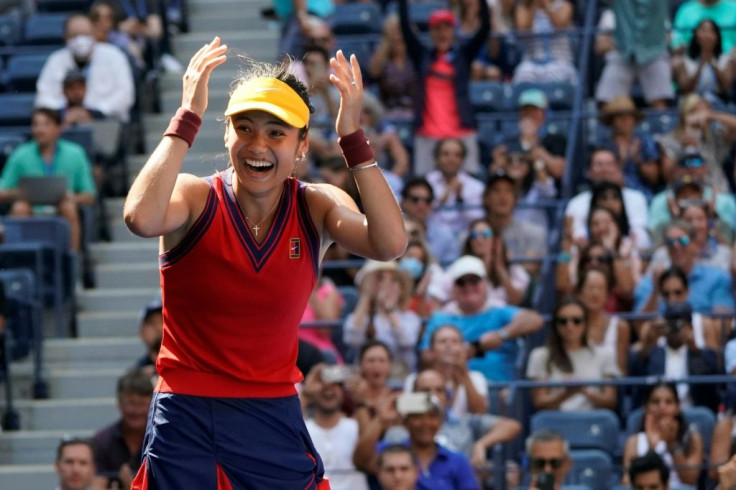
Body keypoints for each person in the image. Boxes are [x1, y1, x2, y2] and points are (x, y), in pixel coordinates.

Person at [123, 37, 407, 488]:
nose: (259, 144)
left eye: (277, 132)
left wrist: (353, 139)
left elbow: (390, 243)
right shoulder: (196, 196)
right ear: (226, 133)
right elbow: (141, 217)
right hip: (186, 412)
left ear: (301, 147)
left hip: (272, 412)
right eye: (245, 128)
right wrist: (185, 119)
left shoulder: (315, 204)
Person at [398, 0, 490, 175]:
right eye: (437, 29)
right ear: (431, 32)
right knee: (423, 184)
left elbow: (485, 28)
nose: (442, 33)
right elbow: (405, 28)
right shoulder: (422, 56)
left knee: (470, 182)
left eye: (446, 28)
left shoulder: (463, 55)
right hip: (427, 133)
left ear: (452, 31)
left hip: (461, 130)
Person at [420, 255, 545, 383]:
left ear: (485, 284)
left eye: (474, 281)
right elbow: (426, 356)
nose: (468, 286)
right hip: (454, 387)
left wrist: (501, 335)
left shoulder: (499, 311)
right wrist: (459, 354)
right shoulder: (440, 318)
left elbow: (535, 319)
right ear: (453, 287)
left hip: (497, 388)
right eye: (461, 282)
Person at [387, 369, 521, 483]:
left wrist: (481, 444)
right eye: (425, 390)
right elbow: (368, 463)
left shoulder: (465, 423)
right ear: (414, 395)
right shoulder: (397, 431)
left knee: (511, 470)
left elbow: (512, 426)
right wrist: (381, 419)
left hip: (461, 482)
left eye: (439, 390)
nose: (433, 395)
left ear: (448, 397)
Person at [0, 108, 96, 252]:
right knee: (20, 207)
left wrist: (73, 198)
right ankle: (19, 257)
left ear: (59, 128)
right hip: (31, 209)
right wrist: (16, 194)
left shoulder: (75, 153)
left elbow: (89, 194)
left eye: (46, 124)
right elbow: (2, 190)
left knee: (68, 206)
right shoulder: (20, 155)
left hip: (61, 209)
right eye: (36, 124)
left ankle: (72, 260)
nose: (40, 129)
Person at [352, 387, 481, 489]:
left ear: (441, 422)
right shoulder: (391, 453)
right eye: (418, 417)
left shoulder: (458, 461)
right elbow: (361, 461)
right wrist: (380, 419)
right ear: (406, 422)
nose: (425, 423)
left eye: (432, 417)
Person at [35, 14, 135, 122]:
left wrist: (95, 112)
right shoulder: (55, 60)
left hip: (108, 122)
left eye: (85, 34)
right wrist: (65, 113)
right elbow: (43, 98)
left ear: (94, 34)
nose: (80, 40)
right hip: (66, 123)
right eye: (74, 35)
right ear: (65, 38)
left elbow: (126, 95)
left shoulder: (114, 56)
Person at [526, 297, 619, 412]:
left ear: (586, 323)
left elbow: (610, 401)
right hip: (555, 421)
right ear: (555, 325)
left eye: (577, 321)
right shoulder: (540, 355)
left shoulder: (605, 354)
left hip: (592, 421)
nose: (570, 326)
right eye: (563, 321)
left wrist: (584, 391)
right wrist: (567, 393)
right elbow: (539, 402)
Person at [629, 302, 720, 413]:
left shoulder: (702, 354)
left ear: (690, 327)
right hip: (658, 411)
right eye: (671, 324)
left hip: (692, 410)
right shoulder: (653, 353)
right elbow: (635, 373)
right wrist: (647, 343)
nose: (675, 329)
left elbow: (711, 384)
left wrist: (694, 349)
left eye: (680, 325)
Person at [635, 221, 735, 314]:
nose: (676, 246)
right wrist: (656, 290)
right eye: (670, 242)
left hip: (701, 331)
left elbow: (723, 324)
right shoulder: (651, 282)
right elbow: (639, 325)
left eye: (683, 240)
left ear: (695, 245)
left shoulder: (717, 279)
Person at [564, 146, 650, 250]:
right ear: (589, 171)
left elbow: (641, 238)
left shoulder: (636, 198)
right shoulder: (576, 203)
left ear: (618, 168)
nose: (604, 169)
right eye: (599, 165)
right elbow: (577, 239)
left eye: (609, 164)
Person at [343, 260, 421, 374]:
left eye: (394, 281)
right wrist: (366, 296)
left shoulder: (410, 317)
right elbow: (352, 339)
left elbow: (407, 340)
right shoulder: (360, 318)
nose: (387, 286)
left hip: (399, 375)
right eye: (380, 279)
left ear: (401, 288)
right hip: (367, 375)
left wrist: (389, 308)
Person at [622, 382, 704, 486]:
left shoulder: (693, 438)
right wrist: (651, 449)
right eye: (655, 402)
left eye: (669, 402)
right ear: (646, 406)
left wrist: (673, 445)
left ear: (677, 407)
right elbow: (627, 482)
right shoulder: (634, 441)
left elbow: (690, 480)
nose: (662, 407)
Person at [301, 364, 369, 490]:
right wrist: (305, 395)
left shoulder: (355, 425)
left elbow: (369, 454)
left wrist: (361, 401)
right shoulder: (303, 429)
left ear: (343, 391)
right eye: (323, 384)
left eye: (336, 384)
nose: (329, 390)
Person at [595, 0, 673, 108]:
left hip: (655, 53)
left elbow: (669, 38)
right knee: (607, 102)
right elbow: (599, 47)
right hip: (622, 52)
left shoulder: (659, 5)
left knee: (661, 101)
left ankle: (662, 122)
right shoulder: (611, 12)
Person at [404, 324, 488, 416]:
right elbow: (408, 414)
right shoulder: (414, 379)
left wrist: (464, 374)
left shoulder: (476, 378)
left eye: (455, 342)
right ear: (431, 351)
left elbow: (480, 412)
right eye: (442, 341)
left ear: (462, 349)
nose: (449, 345)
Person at [91, 369, 152, 489]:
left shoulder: (161, 442)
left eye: (142, 404)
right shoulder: (102, 441)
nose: (136, 411)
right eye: (130, 403)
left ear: (152, 405)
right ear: (119, 403)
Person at [598, 96, 662, 201]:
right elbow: (600, 176)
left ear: (634, 119)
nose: (624, 120)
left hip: (644, 195)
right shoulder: (603, 145)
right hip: (612, 195)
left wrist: (637, 159)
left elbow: (654, 178)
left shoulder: (645, 142)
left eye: (628, 116)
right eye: (620, 116)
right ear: (612, 120)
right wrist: (621, 162)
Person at [483, 168, 548, 272]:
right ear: (485, 198)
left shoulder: (534, 233)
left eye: (508, 191)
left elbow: (529, 270)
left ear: (516, 198)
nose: (502, 197)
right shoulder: (472, 235)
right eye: (496, 190)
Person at [461, 218, 530, 306]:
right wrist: (485, 266)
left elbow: (516, 301)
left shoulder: (513, 269)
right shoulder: (461, 268)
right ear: (469, 242)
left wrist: (500, 269)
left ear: (497, 241)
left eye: (485, 234)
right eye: (474, 235)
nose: (479, 239)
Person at [426, 137, 485, 236]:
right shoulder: (426, 182)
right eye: (446, 154)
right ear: (437, 158)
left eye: (457, 155)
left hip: (465, 237)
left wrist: (460, 199)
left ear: (463, 159)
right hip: (432, 236)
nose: (451, 159)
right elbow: (420, 215)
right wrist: (442, 200)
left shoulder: (476, 186)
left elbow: (478, 220)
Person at [576, 267, 631, 375]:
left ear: (607, 294)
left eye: (601, 288)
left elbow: (620, 372)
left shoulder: (621, 327)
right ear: (580, 292)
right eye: (590, 287)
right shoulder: (572, 324)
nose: (595, 293)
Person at [512, 0, 577, 84]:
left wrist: (546, 6)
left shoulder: (564, 5)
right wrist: (533, 7)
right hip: (532, 61)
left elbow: (560, 26)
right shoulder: (523, 8)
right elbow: (524, 33)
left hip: (559, 60)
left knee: (553, 77)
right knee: (522, 75)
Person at [400, 177, 460, 265]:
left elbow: (449, 270)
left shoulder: (444, 236)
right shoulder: (392, 232)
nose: (421, 205)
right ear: (404, 202)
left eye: (427, 200)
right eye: (415, 199)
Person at [367, 13, 416, 119]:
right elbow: (373, 71)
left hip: (415, 111)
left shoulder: (416, 57)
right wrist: (388, 40)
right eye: (394, 32)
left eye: (401, 30)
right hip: (386, 112)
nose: (398, 35)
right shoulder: (383, 59)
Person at [672, 19, 734, 101]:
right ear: (695, 35)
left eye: (711, 31)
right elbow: (686, 89)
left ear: (717, 36)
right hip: (691, 102)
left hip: (719, 103)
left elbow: (725, 87)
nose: (707, 35)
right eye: (703, 31)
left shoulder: (727, 60)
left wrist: (713, 63)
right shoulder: (684, 60)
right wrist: (700, 65)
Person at [671, 0, 736, 56]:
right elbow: (676, 42)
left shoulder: (734, 9)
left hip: (730, 61)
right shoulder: (685, 11)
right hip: (692, 63)